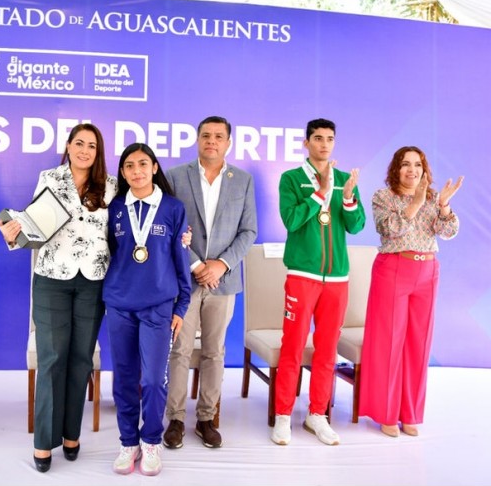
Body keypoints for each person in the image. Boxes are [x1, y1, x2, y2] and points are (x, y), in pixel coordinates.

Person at [0, 123, 117, 473]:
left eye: (91, 145)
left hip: (94, 281)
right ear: (68, 146)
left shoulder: (111, 185)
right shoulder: (49, 178)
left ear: (98, 152)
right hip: (51, 278)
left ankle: (71, 434)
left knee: (80, 360)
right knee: (51, 359)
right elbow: (33, 227)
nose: (84, 150)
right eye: (79, 143)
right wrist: (13, 234)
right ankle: (43, 440)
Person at [163, 115, 258, 449]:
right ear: (197, 140)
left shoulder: (242, 180)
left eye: (219, 136)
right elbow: (168, 226)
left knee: (214, 351)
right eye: (206, 135)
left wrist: (221, 264)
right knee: (179, 349)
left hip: (223, 281)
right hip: (184, 280)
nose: (212, 141)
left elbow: (249, 231)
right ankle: (175, 418)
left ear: (228, 143)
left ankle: (206, 418)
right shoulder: (176, 177)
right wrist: (196, 264)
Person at [271, 118, 365, 446]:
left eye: (329, 139)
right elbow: (291, 220)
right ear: (306, 143)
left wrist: (348, 198)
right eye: (318, 138)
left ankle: (317, 414)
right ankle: (283, 415)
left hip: (337, 279)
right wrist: (320, 193)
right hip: (302, 276)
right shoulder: (292, 178)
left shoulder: (345, 180)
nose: (324, 144)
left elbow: (356, 226)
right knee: (293, 346)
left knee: (327, 350)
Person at [359, 146, 462, 438]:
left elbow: (448, 232)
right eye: (406, 164)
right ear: (396, 168)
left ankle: (410, 413)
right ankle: (386, 413)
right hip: (394, 269)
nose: (412, 170)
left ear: (424, 169)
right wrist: (415, 202)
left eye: (418, 164)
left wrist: (443, 205)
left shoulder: (433, 197)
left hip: (427, 271)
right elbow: (389, 229)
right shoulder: (384, 196)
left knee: (419, 343)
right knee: (389, 342)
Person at [104, 143, 191, 476]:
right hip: (120, 304)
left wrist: (181, 305)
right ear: (123, 172)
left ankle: (151, 440)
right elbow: (111, 253)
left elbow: (180, 259)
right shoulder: (115, 208)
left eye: (143, 164)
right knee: (125, 379)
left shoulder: (173, 208)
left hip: (158, 307)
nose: (136, 171)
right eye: (129, 165)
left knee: (154, 380)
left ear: (154, 167)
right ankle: (129, 442)